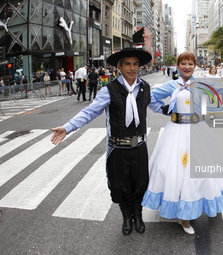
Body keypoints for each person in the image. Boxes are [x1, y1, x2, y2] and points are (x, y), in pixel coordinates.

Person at [142, 52, 223, 235]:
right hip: (176, 132)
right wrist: (164, 109)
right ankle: (183, 216)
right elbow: (149, 97)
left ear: (195, 65)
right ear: (178, 66)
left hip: (198, 129)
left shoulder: (202, 83)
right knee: (179, 172)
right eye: (183, 63)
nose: (187, 66)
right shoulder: (172, 85)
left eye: (190, 63)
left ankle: (205, 201)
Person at [50, 47, 153, 236]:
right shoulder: (109, 90)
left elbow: (159, 106)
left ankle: (138, 215)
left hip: (139, 146)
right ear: (119, 67)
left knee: (139, 183)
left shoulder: (145, 88)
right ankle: (126, 217)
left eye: (135, 64)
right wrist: (67, 127)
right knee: (120, 185)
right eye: (127, 64)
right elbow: (89, 112)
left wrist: (181, 114)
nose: (132, 68)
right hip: (118, 148)